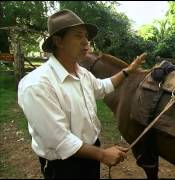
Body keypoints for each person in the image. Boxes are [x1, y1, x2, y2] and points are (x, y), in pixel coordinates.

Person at [17, 9, 145, 179]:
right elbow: (59, 141)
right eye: (78, 36)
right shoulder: (37, 85)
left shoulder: (82, 73)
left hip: (90, 153)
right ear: (58, 41)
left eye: (86, 36)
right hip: (64, 165)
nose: (86, 42)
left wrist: (128, 71)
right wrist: (102, 155)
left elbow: (102, 87)